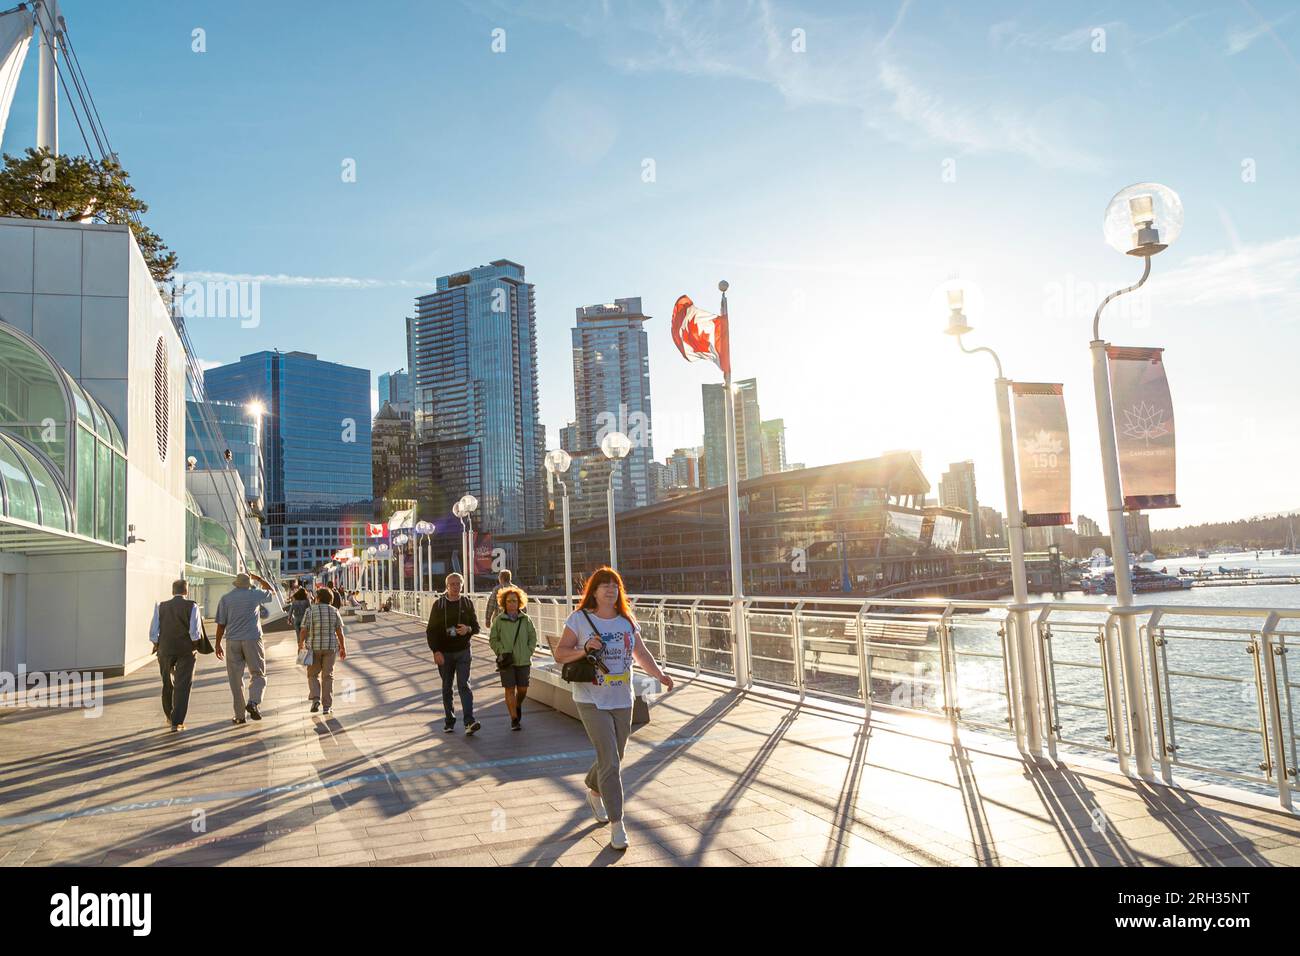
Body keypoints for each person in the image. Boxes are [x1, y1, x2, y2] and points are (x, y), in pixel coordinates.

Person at [556, 566, 674, 851]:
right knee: (610, 760)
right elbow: (560, 653)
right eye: (604, 585)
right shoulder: (579, 619)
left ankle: (594, 790)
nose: (610, 589)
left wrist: (659, 674)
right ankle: (617, 824)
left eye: (615, 585)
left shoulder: (626, 621)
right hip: (590, 699)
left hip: (623, 697)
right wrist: (585, 648)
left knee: (615, 757)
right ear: (593, 591)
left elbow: (641, 652)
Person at [214, 570, 277, 724]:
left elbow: (221, 624)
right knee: (258, 673)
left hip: (233, 641)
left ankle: (240, 715)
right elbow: (272, 591)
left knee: (235, 679)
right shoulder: (254, 594)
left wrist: (217, 644)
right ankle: (253, 702)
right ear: (249, 584)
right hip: (252, 639)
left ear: (236, 583)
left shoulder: (226, 599)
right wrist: (259, 579)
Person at [425, 572, 481, 734]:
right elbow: (431, 631)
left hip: (463, 651)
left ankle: (469, 722)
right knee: (447, 687)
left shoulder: (467, 603)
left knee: (464, 685)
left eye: (458, 584)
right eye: (452, 584)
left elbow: (476, 627)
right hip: (445, 653)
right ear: (447, 586)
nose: (456, 587)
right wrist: (436, 651)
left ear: (462, 585)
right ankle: (449, 720)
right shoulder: (439, 605)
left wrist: (468, 629)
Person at [150, 578, 203, 732]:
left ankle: (168, 715)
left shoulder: (161, 606)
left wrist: (157, 645)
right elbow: (195, 632)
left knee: (167, 683)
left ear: (173, 591)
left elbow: (154, 631)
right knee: (183, 685)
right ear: (186, 591)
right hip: (185, 650)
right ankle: (177, 721)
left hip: (165, 650)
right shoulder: (192, 606)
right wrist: (194, 646)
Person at [487, 585, 538, 731]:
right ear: (504, 603)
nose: (512, 603)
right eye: (509, 601)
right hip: (506, 662)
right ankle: (514, 719)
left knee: (522, 689)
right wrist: (501, 651)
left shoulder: (526, 620)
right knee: (509, 689)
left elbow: (533, 637)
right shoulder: (499, 620)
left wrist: (529, 651)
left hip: (523, 660)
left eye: (514, 601)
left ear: (519, 602)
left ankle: (518, 704)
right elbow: (493, 639)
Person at [298, 587, 347, 715]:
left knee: (312, 674)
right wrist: (343, 647)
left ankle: (315, 699)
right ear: (330, 599)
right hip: (330, 647)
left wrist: (300, 644)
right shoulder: (334, 611)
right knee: (328, 676)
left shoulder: (310, 611)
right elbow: (340, 632)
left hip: (313, 648)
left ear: (318, 598)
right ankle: (327, 706)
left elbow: (303, 630)